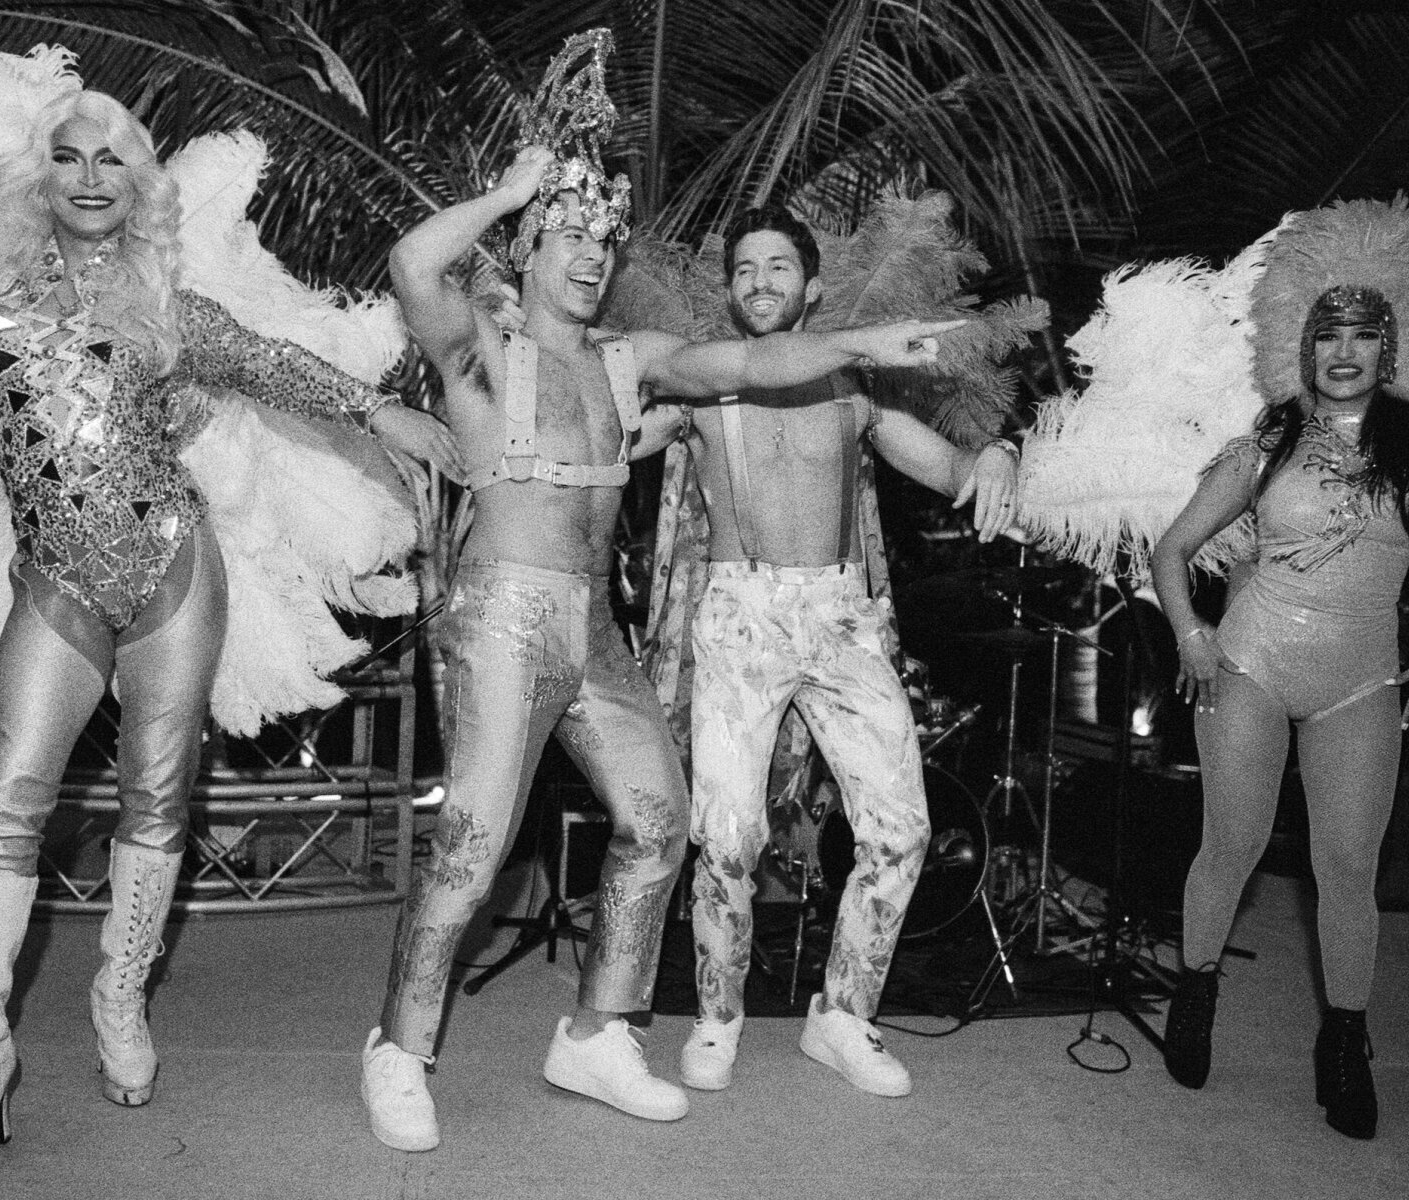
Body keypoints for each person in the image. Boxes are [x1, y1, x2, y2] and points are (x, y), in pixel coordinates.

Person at [0, 86, 453, 1194]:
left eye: (112, 159)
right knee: (9, 802)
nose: (90, 176)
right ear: (42, 178)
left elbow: (266, 362)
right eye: (69, 158)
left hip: (173, 568)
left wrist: (380, 412)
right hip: (54, 587)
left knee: (158, 795)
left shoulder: (167, 302)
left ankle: (120, 994)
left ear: (138, 181)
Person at [358, 29, 961, 1153]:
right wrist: (508, 191)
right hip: (499, 615)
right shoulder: (482, 352)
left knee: (661, 820)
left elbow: (743, 366)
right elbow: (409, 266)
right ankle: (399, 1046)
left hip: (595, 624)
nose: (592, 257)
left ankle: (596, 1031)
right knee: (476, 845)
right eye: (571, 239)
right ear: (530, 250)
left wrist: (868, 339)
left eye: (604, 240)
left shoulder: (628, 357)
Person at [645, 204, 1020, 1098]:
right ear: (730, 291)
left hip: (841, 617)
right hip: (740, 615)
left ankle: (844, 1016)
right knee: (726, 835)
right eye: (743, 269)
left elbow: (954, 472)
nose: (760, 282)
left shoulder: (857, 393)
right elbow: (601, 446)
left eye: (778, 267)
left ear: (812, 286)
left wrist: (1001, 449)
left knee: (901, 829)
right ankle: (718, 1017)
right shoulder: (702, 388)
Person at [1151, 198, 1409, 1140]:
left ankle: (1345, 1047)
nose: (1345, 353)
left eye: (1365, 337)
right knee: (1232, 846)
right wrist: (1193, 637)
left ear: (1390, 350)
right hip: (1249, 662)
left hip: (1361, 682)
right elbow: (1172, 553)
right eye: (1330, 335)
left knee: (1348, 866)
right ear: (1305, 346)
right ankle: (1195, 992)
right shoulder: (1265, 444)